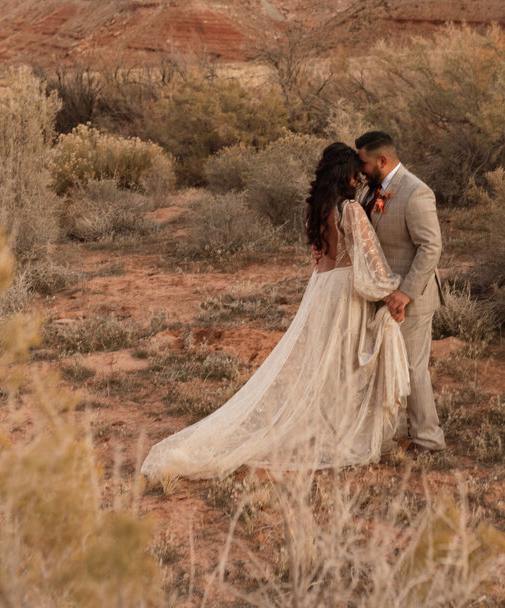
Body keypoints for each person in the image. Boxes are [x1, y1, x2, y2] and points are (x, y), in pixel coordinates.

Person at [141, 143, 411, 481]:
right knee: (344, 363)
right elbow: (370, 261)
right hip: (344, 292)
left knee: (323, 362)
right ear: (347, 173)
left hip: (321, 288)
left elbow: (324, 252)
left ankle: (329, 426)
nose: (359, 176)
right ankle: (342, 432)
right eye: (355, 170)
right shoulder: (350, 209)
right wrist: (392, 292)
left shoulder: (319, 207)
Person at [354, 131, 447, 453]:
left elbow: (430, 247)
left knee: (411, 367)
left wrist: (405, 293)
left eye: (363, 162)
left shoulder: (415, 192)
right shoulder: (369, 188)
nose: (359, 168)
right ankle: (399, 428)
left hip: (413, 298)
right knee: (390, 364)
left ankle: (429, 440)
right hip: (382, 294)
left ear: (382, 160)